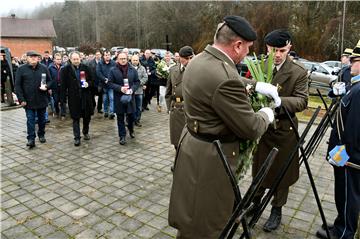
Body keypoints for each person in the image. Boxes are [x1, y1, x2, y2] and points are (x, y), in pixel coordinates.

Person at [168, 16, 280, 238]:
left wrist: (255, 84)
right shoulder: (224, 76)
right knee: (210, 221)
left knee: (191, 212)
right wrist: (265, 115)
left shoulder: (199, 59)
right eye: (247, 48)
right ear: (237, 44)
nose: (247, 53)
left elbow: (222, 80)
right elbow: (250, 127)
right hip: (213, 157)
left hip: (193, 145)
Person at [250, 29, 309, 232]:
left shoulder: (298, 72)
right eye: (273, 50)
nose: (277, 55)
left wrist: (279, 101)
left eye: (282, 50)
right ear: (267, 48)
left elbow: (302, 100)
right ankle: (255, 202)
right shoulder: (259, 66)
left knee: (282, 173)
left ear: (289, 48)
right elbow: (249, 87)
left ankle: (277, 210)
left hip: (284, 129)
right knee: (258, 167)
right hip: (262, 128)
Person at [316, 41, 360, 239]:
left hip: (349, 156)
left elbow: (353, 128)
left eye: (355, 61)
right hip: (346, 153)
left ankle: (343, 233)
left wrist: (344, 151)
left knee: (348, 196)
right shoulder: (356, 86)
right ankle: (340, 225)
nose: (351, 65)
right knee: (344, 194)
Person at [15, 51, 52, 148]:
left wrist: (47, 86)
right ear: (27, 58)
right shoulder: (21, 69)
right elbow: (17, 86)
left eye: (35, 57)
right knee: (30, 120)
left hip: (41, 98)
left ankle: (41, 134)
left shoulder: (43, 68)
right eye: (31, 57)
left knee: (42, 120)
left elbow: (50, 81)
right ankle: (31, 138)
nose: (33, 59)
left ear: (38, 58)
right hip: (28, 100)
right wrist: (21, 99)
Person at [60, 51, 94, 146]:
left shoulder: (86, 68)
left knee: (87, 116)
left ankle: (85, 131)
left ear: (80, 58)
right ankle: (77, 137)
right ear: (70, 60)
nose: (76, 61)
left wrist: (88, 84)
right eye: (74, 59)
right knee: (75, 118)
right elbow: (63, 86)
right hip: (73, 97)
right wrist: (62, 100)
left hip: (85, 97)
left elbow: (92, 81)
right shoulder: (65, 70)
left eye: (77, 59)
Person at [165, 46, 194, 149]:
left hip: (190, 109)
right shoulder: (173, 70)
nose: (189, 61)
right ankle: (178, 163)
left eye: (191, 58)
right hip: (176, 108)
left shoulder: (196, 71)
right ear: (180, 58)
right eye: (186, 58)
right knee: (177, 141)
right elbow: (168, 91)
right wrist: (169, 108)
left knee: (189, 142)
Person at [108, 53, 140, 145]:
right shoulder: (113, 70)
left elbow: (137, 82)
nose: (123, 60)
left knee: (131, 117)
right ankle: (122, 136)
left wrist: (132, 89)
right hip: (119, 97)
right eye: (121, 58)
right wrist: (120, 88)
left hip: (130, 97)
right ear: (117, 59)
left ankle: (131, 129)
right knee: (120, 117)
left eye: (124, 58)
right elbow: (110, 83)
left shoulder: (132, 69)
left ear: (127, 59)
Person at [96, 50, 116, 119]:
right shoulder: (100, 63)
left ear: (110, 56)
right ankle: (106, 111)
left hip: (111, 84)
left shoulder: (114, 63)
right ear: (103, 56)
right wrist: (105, 79)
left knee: (112, 98)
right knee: (105, 99)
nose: (107, 56)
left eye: (108, 55)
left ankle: (111, 113)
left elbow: (116, 72)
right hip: (103, 84)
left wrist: (110, 79)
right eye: (106, 55)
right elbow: (98, 73)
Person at [130, 54, 148, 127]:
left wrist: (139, 83)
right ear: (131, 60)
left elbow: (145, 77)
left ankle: (137, 120)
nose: (135, 61)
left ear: (138, 60)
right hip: (131, 91)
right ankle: (131, 120)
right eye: (134, 60)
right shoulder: (128, 68)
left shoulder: (142, 68)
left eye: (136, 60)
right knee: (131, 106)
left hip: (139, 91)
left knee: (139, 107)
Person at [48, 53, 66, 118]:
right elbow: (49, 78)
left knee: (63, 101)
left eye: (60, 59)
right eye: (57, 59)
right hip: (54, 87)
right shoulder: (50, 67)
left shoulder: (64, 67)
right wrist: (49, 88)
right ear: (54, 60)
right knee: (55, 100)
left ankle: (63, 114)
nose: (59, 60)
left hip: (62, 87)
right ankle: (57, 110)